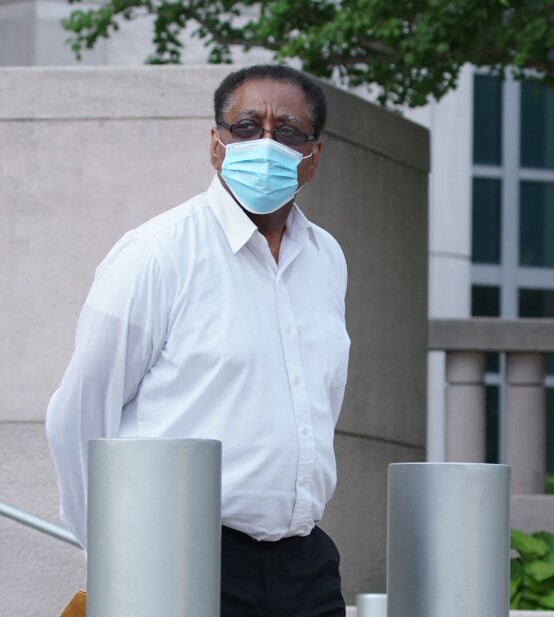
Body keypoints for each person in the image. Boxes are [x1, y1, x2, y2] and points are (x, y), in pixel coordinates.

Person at [46, 64, 350, 617]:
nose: (265, 142)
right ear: (216, 145)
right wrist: (118, 556)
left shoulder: (327, 258)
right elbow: (78, 416)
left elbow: (321, 402)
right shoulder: (157, 254)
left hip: (304, 565)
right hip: (180, 558)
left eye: (286, 132)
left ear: (312, 157)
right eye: (246, 126)